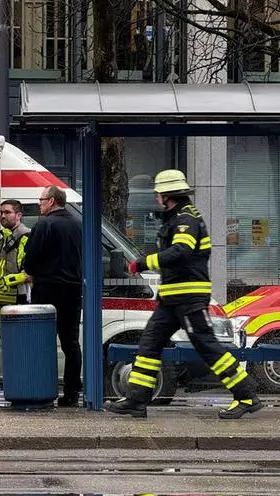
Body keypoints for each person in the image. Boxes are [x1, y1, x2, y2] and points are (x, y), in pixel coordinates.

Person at [106, 170, 262, 420]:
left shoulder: (185, 220)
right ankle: (137, 398)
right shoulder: (177, 218)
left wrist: (142, 263)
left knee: (207, 346)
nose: (156, 197)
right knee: (149, 344)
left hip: (188, 298)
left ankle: (246, 395)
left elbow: (181, 252)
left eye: (158, 193)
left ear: (166, 195)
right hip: (173, 299)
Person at [22, 185, 83, 407]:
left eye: (41, 199)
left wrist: (28, 270)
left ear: (52, 201)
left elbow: (30, 259)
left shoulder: (44, 224)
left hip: (47, 288)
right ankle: (72, 394)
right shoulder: (78, 224)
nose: (39, 203)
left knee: (43, 341)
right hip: (73, 289)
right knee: (71, 343)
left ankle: (43, 390)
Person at [0, 200, 31, 308]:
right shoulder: (3, 239)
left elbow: (30, 273)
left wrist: (6, 281)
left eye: (7, 212)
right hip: (2, 299)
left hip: (21, 300)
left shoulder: (27, 237)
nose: (3, 216)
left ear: (18, 215)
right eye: (1, 213)